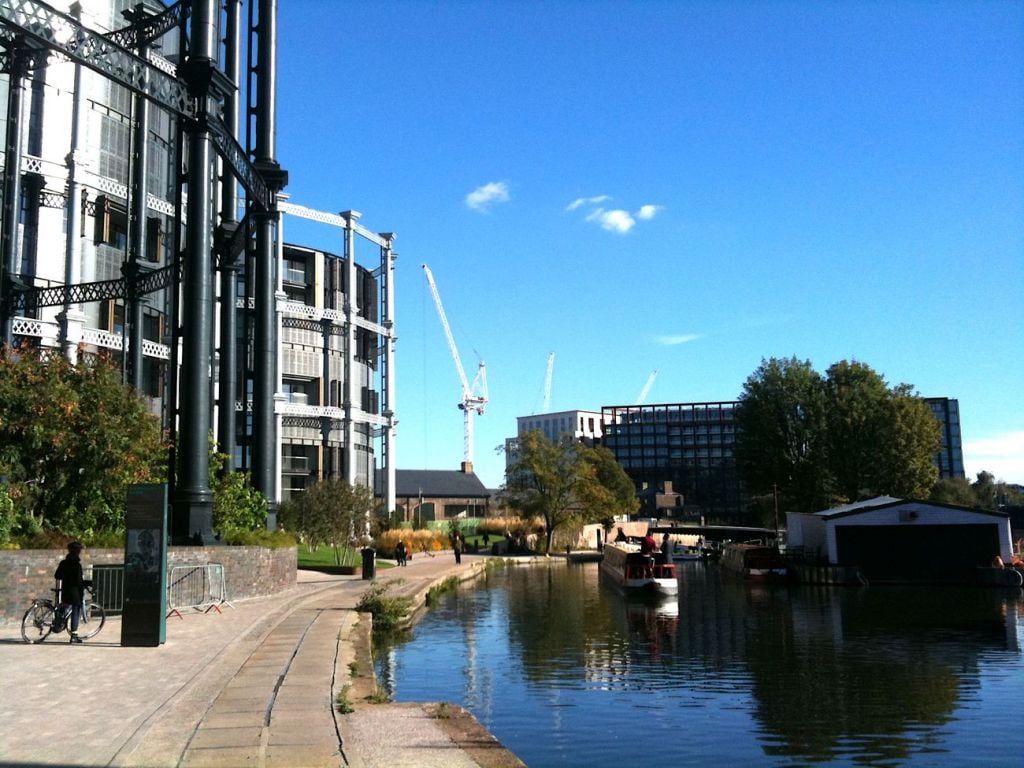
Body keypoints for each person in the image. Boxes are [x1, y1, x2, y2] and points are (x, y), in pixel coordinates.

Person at [55, 540, 90, 643]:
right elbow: (78, 581)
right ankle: (74, 635)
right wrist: (88, 584)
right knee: (76, 611)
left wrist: (66, 577)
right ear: (77, 551)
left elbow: (57, 576)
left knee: (63, 606)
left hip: (65, 590)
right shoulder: (76, 565)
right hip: (75, 592)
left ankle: (57, 624)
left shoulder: (64, 563)